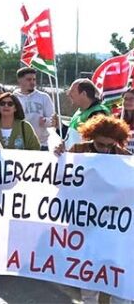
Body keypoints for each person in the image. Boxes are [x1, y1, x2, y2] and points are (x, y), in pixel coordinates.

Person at [54, 115, 132, 304]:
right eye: (100, 144)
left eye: (109, 145)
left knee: (118, 269)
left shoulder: (124, 157)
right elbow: (60, 180)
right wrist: (60, 158)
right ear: (91, 137)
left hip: (114, 224)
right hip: (85, 223)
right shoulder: (77, 151)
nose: (105, 149)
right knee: (88, 270)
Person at [13, 67, 56, 151]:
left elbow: (53, 120)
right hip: (19, 145)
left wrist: (46, 121)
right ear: (20, 80)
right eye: (29, 79)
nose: (32, 82)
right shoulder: (13, 98)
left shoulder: (44, 97)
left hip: (41, 144)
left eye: (34, 79)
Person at [65, 78, 110, 145]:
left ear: (83, 93)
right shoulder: (80, 111)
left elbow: (98, 143)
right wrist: (59, 127)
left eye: (72, 91)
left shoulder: (98, 113)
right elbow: (72, 136)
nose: (68, 94)